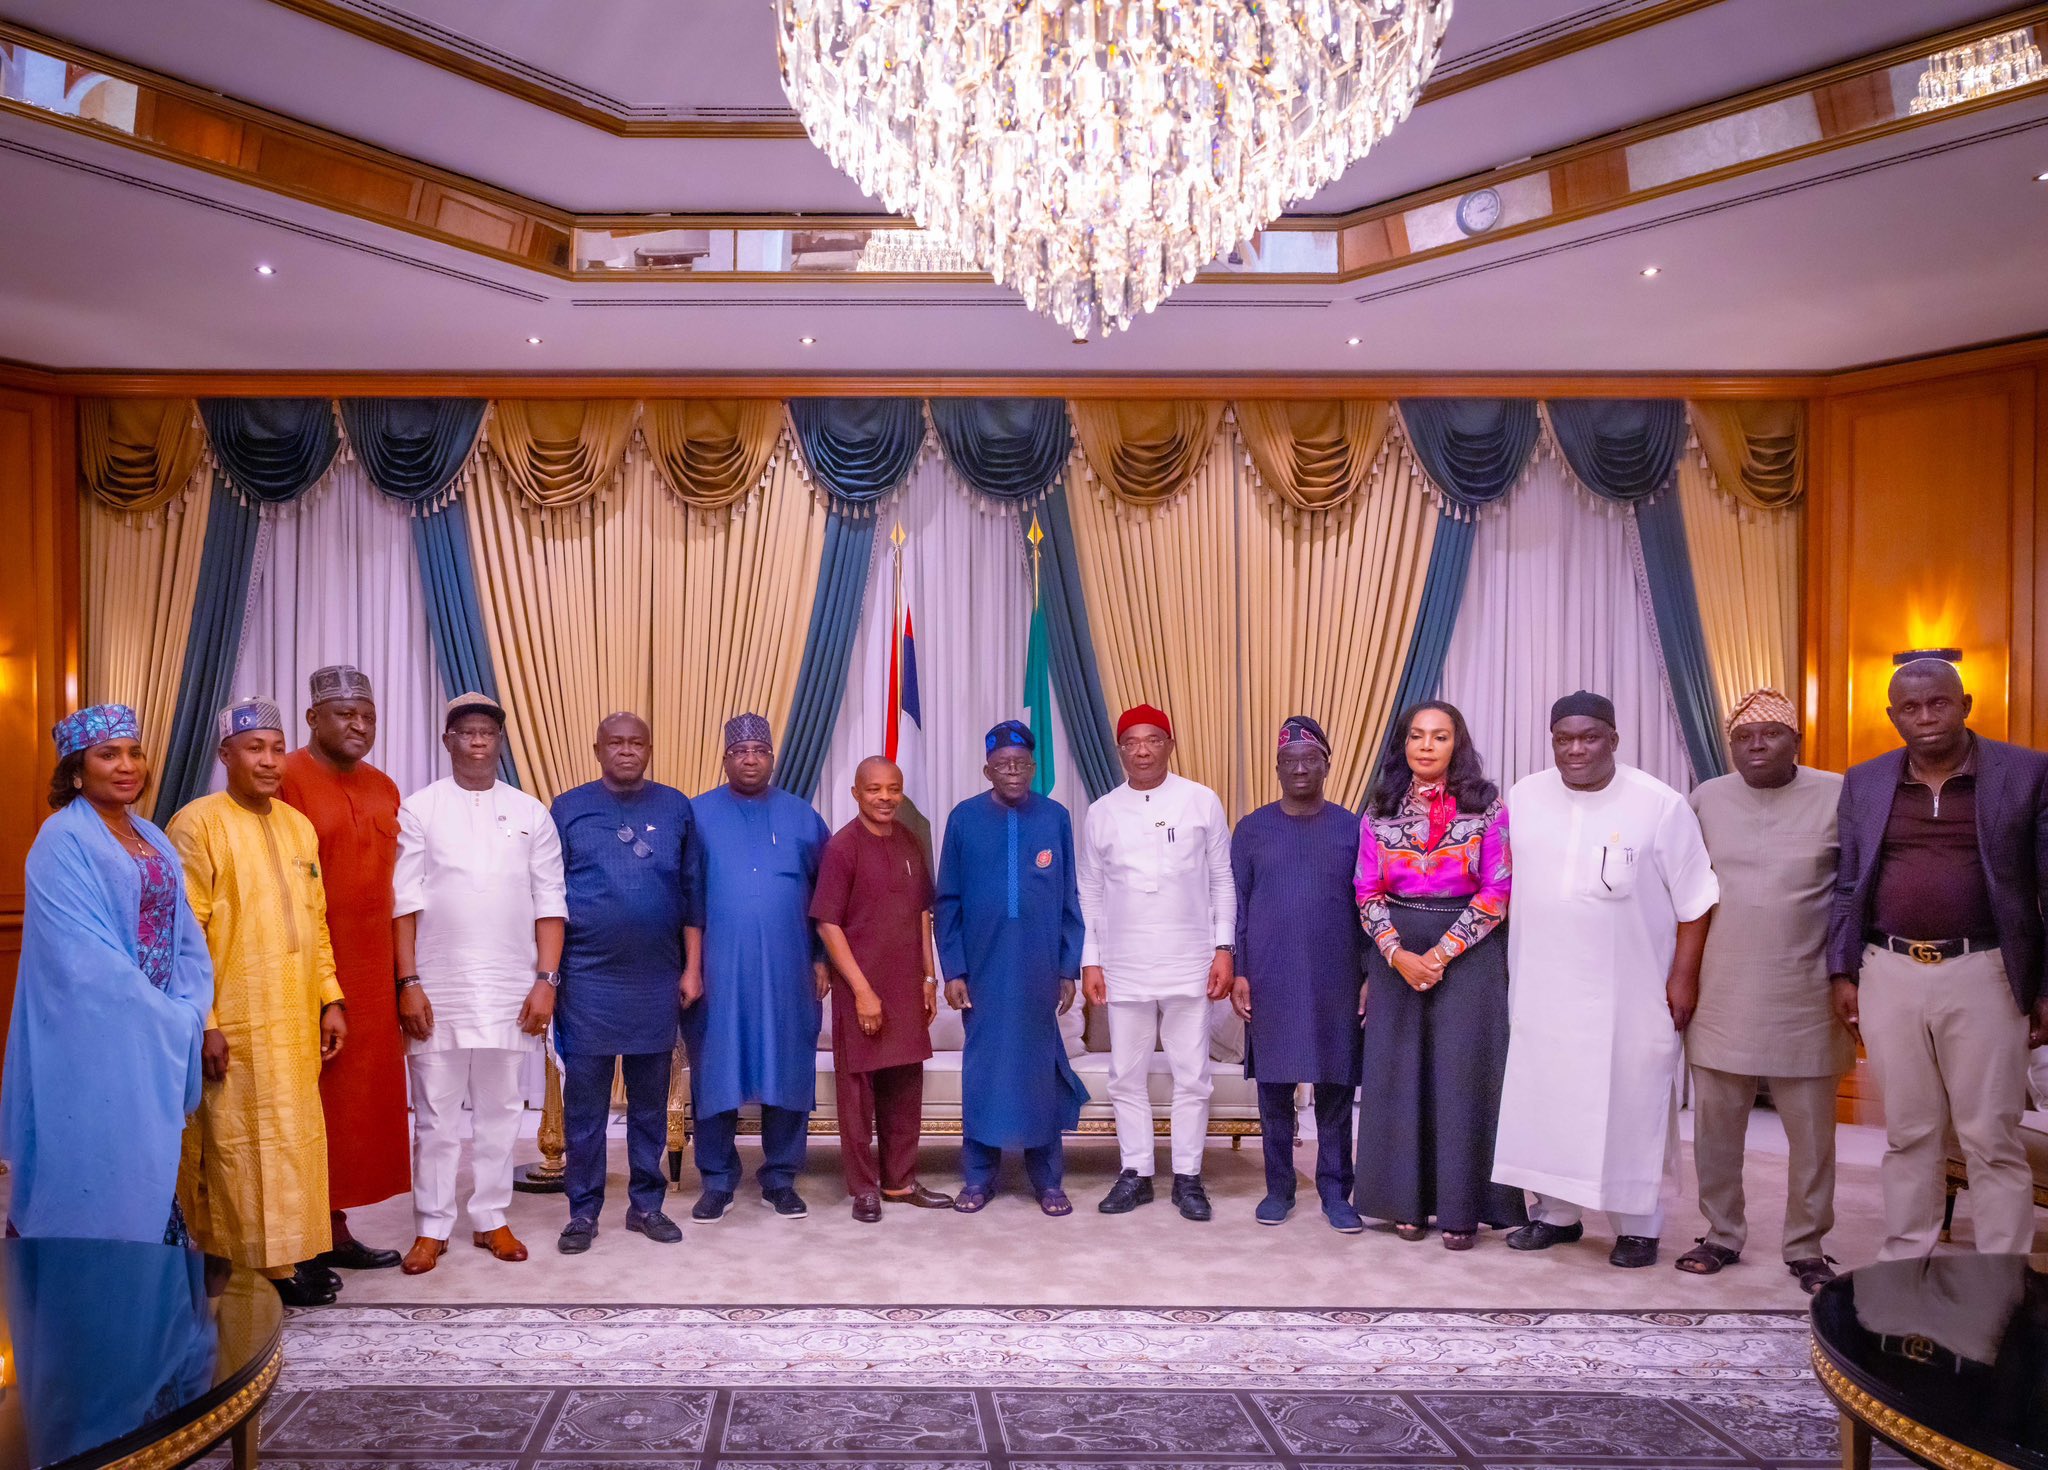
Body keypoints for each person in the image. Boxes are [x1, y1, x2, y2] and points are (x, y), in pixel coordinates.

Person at [1828, 658, 2048, 1259]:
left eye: (1939, 704)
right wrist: (1843, 971)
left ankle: (2004, 1277)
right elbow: (1849, 883)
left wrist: (2045, 988)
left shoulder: (2026, 773)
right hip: (1888, 971)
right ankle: (1906, 1262)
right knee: (1910, 1134)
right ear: (1893, 715)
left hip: (1987, 972)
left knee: (1990, 1137)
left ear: (1966, 703)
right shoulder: (1865, 781)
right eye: (1911, 707)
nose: (1925, 718)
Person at [1492, 690, 1718, 1269]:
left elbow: (1696, 901)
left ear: (1614, 739)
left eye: (1590, 738)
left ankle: (1638, 1226)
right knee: (1551, 1100)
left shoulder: (1659, 805)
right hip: (1543, 985)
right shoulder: (1524, 796)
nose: (1576, 750)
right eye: (1564, 739)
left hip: (1631, 991)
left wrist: (1683, 979)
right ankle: (1558, 1216)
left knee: (1630, 1102)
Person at [2, 706, 211, 1245]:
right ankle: (86, 1298)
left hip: (156, 1026)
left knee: (147, 1159)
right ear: (77, 771)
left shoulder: (151, 836)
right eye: (108, 755)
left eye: (134, 753)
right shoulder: (61, 840)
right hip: (94, 1036)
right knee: (97, 1158)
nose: (127, 766)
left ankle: (149, 1293)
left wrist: (191, 1004)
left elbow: (184, 932)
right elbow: (80, 959)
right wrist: (163, 1015)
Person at [168, 698, 348, 1306]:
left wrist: (330, 997)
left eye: (276, 749)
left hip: (294, 1012)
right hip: (235, 1016)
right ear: (226, 755)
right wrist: (206, 1022)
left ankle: (289, 1251)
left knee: (292, 1136)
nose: (270, 762)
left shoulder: (297, 826)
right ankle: (251, 1266)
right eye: (254, 749)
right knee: (235, 1142)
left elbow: (316, 921)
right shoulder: (197, 824)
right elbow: (182, 934)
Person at [1681, 688, 1852, 1293]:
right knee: (1716, 1126)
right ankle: (1721, 1233)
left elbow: (1856, 890)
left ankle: (1807, 1246)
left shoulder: (1839, 793)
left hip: (1807, 990)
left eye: (1771, 735)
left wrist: (1848, 975)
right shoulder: (1706, 798)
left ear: (1796, 741)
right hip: (1722, 988)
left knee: (1812, 1132)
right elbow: (1682, 894)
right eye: (1744, 738)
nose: (1756, 746)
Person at [393, 692, 566, 1275]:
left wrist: (545, 980)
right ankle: (432, 1226)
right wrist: (408, 980)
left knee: (499, 1112)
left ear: (499, 742)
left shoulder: (530, 812)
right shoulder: (419, 808)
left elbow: (551, 903)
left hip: (510, 988)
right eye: (465, 731)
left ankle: (491, 1217)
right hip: (436, 986)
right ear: (447, 741)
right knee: (438, 1117)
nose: (476, 740)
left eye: (486, 732)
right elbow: (404, 904)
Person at [1352, 701, 1524, 1250]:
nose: (1427, 746)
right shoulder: (1378, 809)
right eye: (1418, 736)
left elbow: (1498, 889)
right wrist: (1398, 954)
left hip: (1471, 952)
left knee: (1463, 1077)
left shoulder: (1488, 808)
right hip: (1395, 950)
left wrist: (1441, 954)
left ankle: (1461, 1208)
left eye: (1440, 736)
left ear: (1458, 743)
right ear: (1404, 744)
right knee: (1398, 1075)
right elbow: (1364, 889)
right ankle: (1403, 1202)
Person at [1079, 704, 1235, 1221]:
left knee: (1192, 1073)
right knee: (1126, 1074)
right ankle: (1136, 1172)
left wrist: (1224, 948)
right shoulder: (1101, 811)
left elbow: (1222, 881)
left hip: (1191, 959)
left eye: (1152, 740)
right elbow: (1091, 892)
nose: (1141, 750)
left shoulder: (1200, 801)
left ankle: (1188, 1176)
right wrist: (1091, 961)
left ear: (1169, 744)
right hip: (1125, 963)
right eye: (1131, 742)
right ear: (1119, 749)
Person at [276, 665, 409, 1274]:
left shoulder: (385, 787)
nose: (359, 726)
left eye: (369, 716)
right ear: (312, 719)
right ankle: (296, 1238)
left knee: (358, 1107)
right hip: (304, 973)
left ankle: (334, 1227)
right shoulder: (286, 780)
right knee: (306, 1104)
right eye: (344, 714)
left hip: (373, 974)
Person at [551, 712, 698, 1254]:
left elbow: (693, 895)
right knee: (585, 1105)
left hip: (656, 977)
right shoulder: (568, 808)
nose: (627, 750)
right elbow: (546, 895)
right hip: (586, 978)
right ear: (598, 749)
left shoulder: (675, 807)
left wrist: (693, 967)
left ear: (650, 749)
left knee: (649, 1102)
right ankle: (582, 1212)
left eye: (637, 742)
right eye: (616, 742)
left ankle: (647, 1206)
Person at [935, 721, 1089, 1215]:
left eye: (1021, 764)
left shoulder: (1056, 817)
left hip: (1039, 972)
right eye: (1003, 765)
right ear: (987, 770)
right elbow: (949, 902)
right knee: (983, 1074)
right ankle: (978, 1179)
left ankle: (1048, 1181)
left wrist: (1068, 969)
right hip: (982, 974)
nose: (1013, 772)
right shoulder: (963, 819)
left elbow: (1069, 897)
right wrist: (953, 970)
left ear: (1034, 767)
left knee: (1039, 1072)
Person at [683, 712, 830, 1221]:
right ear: (725, 759)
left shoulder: (803, 817)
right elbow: (684, 898)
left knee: (787, 1066)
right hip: (718, 973)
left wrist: (819, 958)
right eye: (740, 752)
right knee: (716, 1070)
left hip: (788, 970)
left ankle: (781, 1178)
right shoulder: (696, 815)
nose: (750, 759)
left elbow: (827, 899)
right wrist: (690, 968)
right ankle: (718, 1180)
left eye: (760, 752)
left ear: (772, 757)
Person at [1229, 716, 1366, 1233]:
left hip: (1337, 976)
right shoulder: (1252, 829)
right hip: (1270, 975)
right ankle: (1279, 1189)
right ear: (1278, 769)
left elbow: (1371, 905)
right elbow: (1236, 907)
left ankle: (1336, 1192)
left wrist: (1371, 972)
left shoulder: (1353, 827)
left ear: (1327, 766)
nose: (1301, 769)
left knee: (1335, 1088)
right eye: (1290, 762)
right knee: (1274, 1088)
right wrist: (1240, 971)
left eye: (1311, 760)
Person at [811, 756, 952, 1220]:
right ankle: (865, 1188)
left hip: (907, 988)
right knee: (858, 1095)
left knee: (905, 1089)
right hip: (862, 990)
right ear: (856, 793)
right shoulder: (842, 848)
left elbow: (922, 915)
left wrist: (929, 978)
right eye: (874, 789)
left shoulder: (911, 841)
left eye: (893, 789)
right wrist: (862, 991)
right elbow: (829, 925)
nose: (885, 798)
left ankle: (900, 1182)